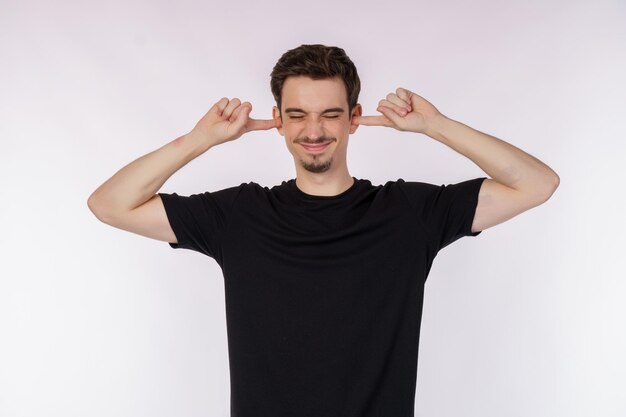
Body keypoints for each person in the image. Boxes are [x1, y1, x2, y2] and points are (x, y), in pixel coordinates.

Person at [88, 44, 559, 417]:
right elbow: (109, 204)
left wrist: (436, 126)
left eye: (330, 114)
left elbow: (538, 183)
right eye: (297, 115)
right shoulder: (238, 215)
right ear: (278, 121)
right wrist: (199, 140)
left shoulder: (410, 213)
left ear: (354, 118)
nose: (313, 130)